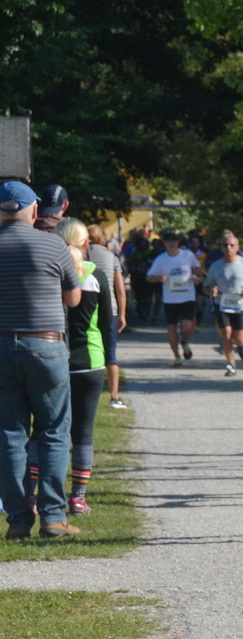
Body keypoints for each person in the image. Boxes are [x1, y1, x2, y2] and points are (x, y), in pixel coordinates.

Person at [0, 180, 83, 539]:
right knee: (52, 431)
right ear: (34, 210)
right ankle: (53, 517)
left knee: (9, 435)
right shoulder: (53, 244)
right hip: (46, 346)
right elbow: (73, 299)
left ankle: (18, 521)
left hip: (1, 347)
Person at [49, 219, 110, 516]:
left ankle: (37, 495)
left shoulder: (51, 274)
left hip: (54, 357)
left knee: (47, 430)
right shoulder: (96, 276)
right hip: (90, 361)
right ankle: (78, 498)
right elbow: (108, 323)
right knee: (83, 433)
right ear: (87, 244)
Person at [203, 231, 243, 377]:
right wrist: (211, 291)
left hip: (240, 304)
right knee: (226, 334)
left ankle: (242, 347)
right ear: (221, 248)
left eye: (232, 245)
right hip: (222, 303)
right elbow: (206, 285)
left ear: (237, 247)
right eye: (225, 245)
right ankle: (231, 364)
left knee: (239, 337)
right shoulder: (216, 266)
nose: (228, 248)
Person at [82, 221, 128, 408]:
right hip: (110, 309)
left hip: (86, 308)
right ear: (102, 238)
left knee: (86, 348)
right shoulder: (112, 257)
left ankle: (85, 387)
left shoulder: (82, 256)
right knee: (110, 353)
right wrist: (122, 314)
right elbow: (120, 288)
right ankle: (114, 395)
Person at [147, 231, 202, 366]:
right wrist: (159, 278)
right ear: (164, 243)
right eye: (168, 241)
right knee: (171, 329)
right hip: (170, 299)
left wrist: (196, 276)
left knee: (187, 326)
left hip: (187, 296)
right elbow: (149, 277)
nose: (171, 244)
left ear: (178, 242)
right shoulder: (161, 259)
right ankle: (177, 357)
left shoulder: (188, 255)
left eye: (174, 241)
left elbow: (199, 268)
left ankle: (185, 341)